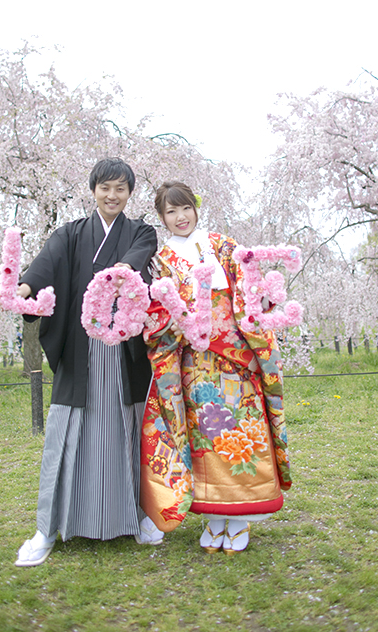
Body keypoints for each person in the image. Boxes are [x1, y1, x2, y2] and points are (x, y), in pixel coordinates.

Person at [15, 157, 164, 566]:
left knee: (130, 433)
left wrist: (125, 268)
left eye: (120, 189)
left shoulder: (141, 231)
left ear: (130, 193)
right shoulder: (70, 234)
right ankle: (47, 528)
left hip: (124, 351)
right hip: (80, 348)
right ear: (93, 190)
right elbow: (45, 266)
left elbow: (140, 253)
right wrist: (24, 288)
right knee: (65, 436)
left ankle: (139, 517)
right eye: (105, 188)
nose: (112, 195)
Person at [140, 182, 292, 554]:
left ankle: (240, 519)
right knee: (205, 438)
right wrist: (175, 323)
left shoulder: (223, 245)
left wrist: (257, 300)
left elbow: (249, 288)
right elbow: (158, 312)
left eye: (185, 208)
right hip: (195, 362)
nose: (181, 217)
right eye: (171, 212)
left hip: (236, 357)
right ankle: (213, 518)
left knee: (243, 431)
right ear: (162, 218)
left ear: (196, 208)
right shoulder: (162, 260)